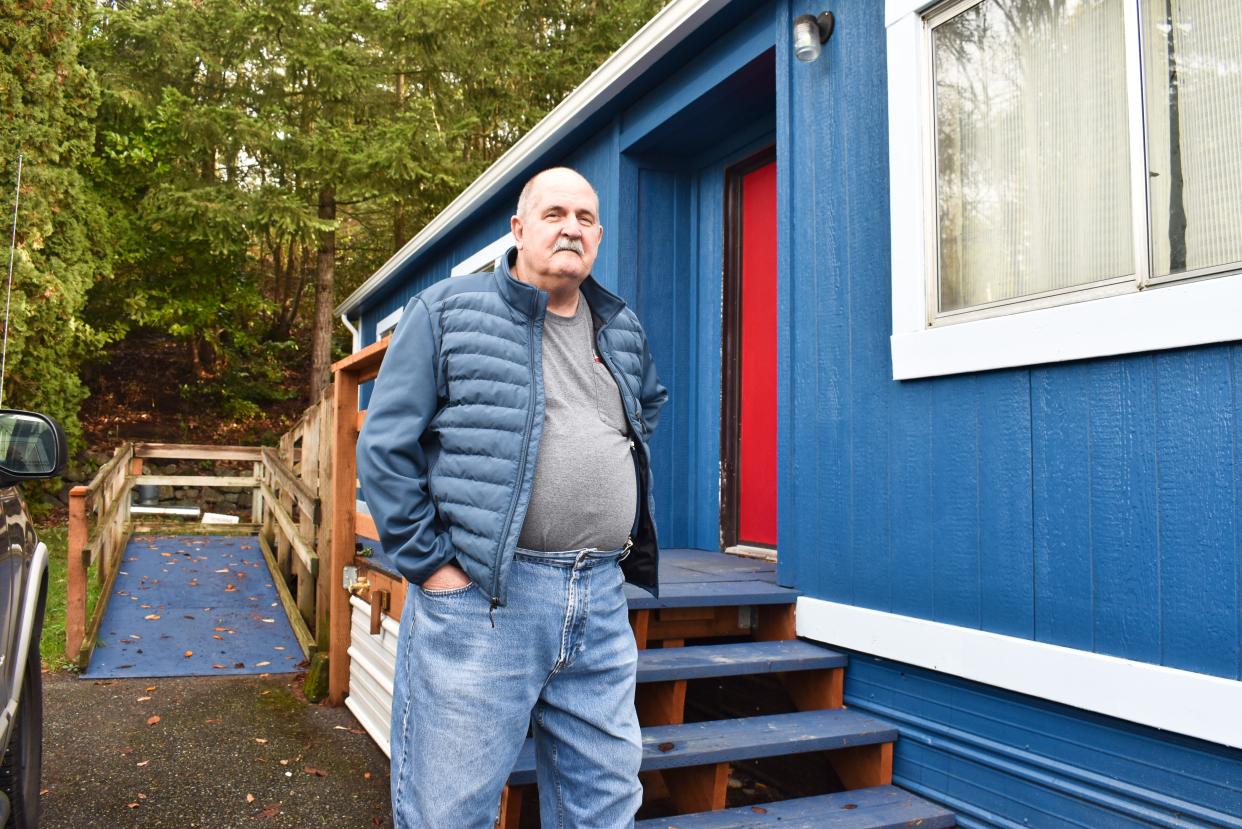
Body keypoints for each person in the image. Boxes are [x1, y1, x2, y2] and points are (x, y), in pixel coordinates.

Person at [357, 166, 668, 829]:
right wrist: (432, 567)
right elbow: (385, 446)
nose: (572, 227)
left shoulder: (620, 327)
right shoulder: (446, 311)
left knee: (604, 803)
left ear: (599, 236)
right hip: (483, 599)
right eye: (555, 213)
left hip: (601, 598)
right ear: (518, 229)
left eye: (585, 218)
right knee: (450, 809)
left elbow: (647, 407)